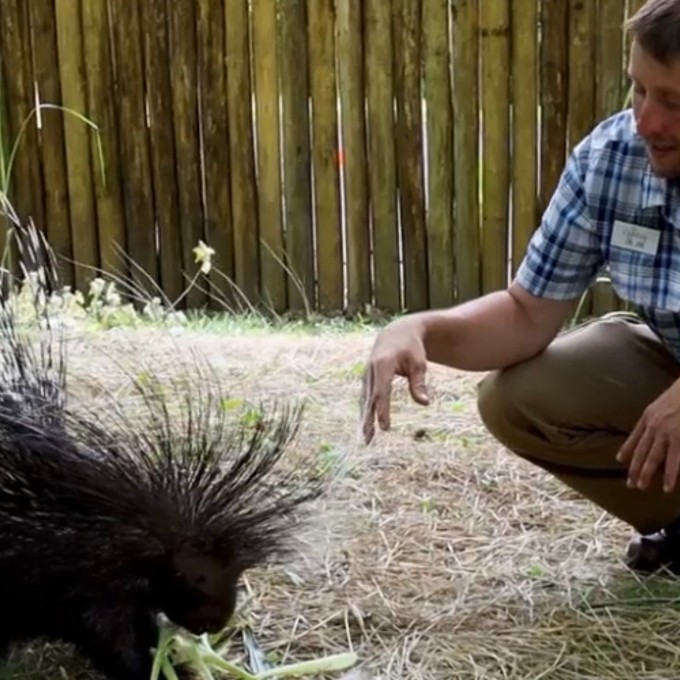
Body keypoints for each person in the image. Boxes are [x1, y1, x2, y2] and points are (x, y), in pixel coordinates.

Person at [360, 0, 680, 576]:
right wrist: (419, 329)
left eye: (675, 102)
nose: (646, 122)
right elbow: (525, 313)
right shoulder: (611, 160)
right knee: (521, 400)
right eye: (639, 91)